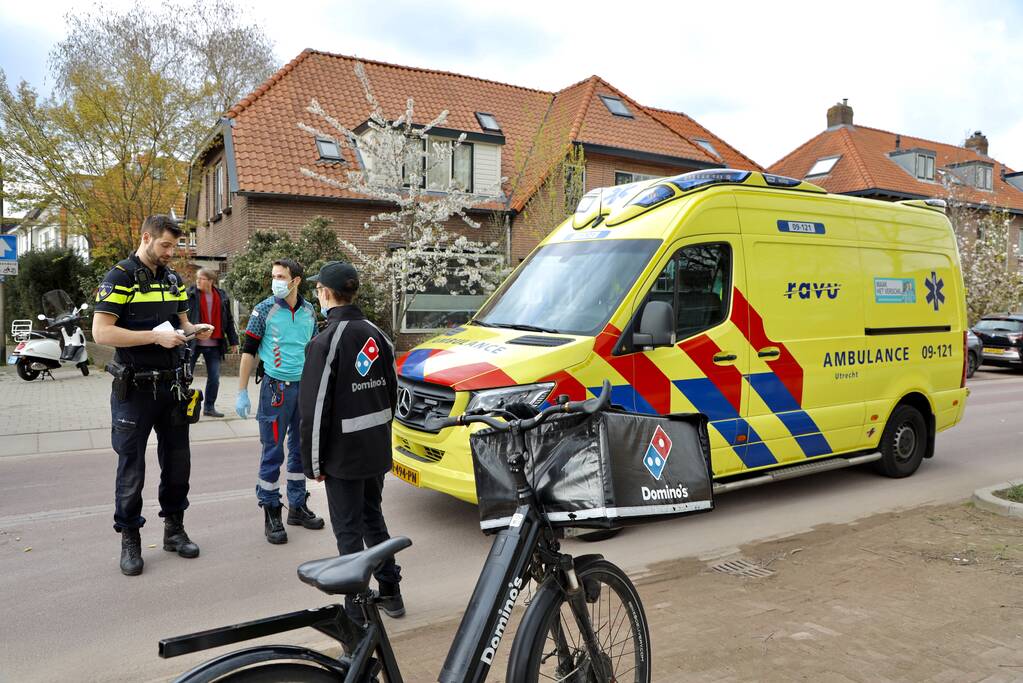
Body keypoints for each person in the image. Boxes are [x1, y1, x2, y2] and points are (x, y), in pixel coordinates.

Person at [92, 215, 214, 576]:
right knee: (132, 468)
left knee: (178, 464)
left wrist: (194, 329)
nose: (170, 252)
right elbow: (102, 333)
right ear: (146, 238)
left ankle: (174, 530)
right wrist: (154, 337)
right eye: (165, 245)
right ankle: (130, 538)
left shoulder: (173, 279)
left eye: (174, 246)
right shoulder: (120, 277)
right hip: (134, 390)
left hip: (172, 387)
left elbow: (182, 323)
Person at [299, 261, 403, 619]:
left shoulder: (325, 342)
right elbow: (391, 393)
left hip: (343, 457)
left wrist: (313, 463)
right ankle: (391, 592)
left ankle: (357, 614)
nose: (317, 294)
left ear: (326, 293)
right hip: (375, 450)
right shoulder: (377, 335)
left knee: (348, 532)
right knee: (373, 519)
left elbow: (314, 411)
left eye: (317, 289)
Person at [235, 258, 324, 544]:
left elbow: (314, 349)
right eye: (274, 276)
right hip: (276, 391)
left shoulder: (309, 311)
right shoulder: (263, 310)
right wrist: (241, 390)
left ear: (296, 280)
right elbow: (248, 351)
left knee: (299, 450)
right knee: (273, 452)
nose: (276, 281)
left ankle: (297, 506)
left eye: (281, 277)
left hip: (304, 389)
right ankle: (271, 510)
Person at [186, 268, 239, 417]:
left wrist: (233, 341)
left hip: (215, 344)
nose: (198, 281)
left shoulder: (222, 296)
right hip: (193, 342)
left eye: (201, 278)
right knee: (185, 377)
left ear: (210, 281)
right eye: (197, 278)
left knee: (214, 378)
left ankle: (209, 407)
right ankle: (182, 406)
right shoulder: (190, 294)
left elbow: (228, 320)